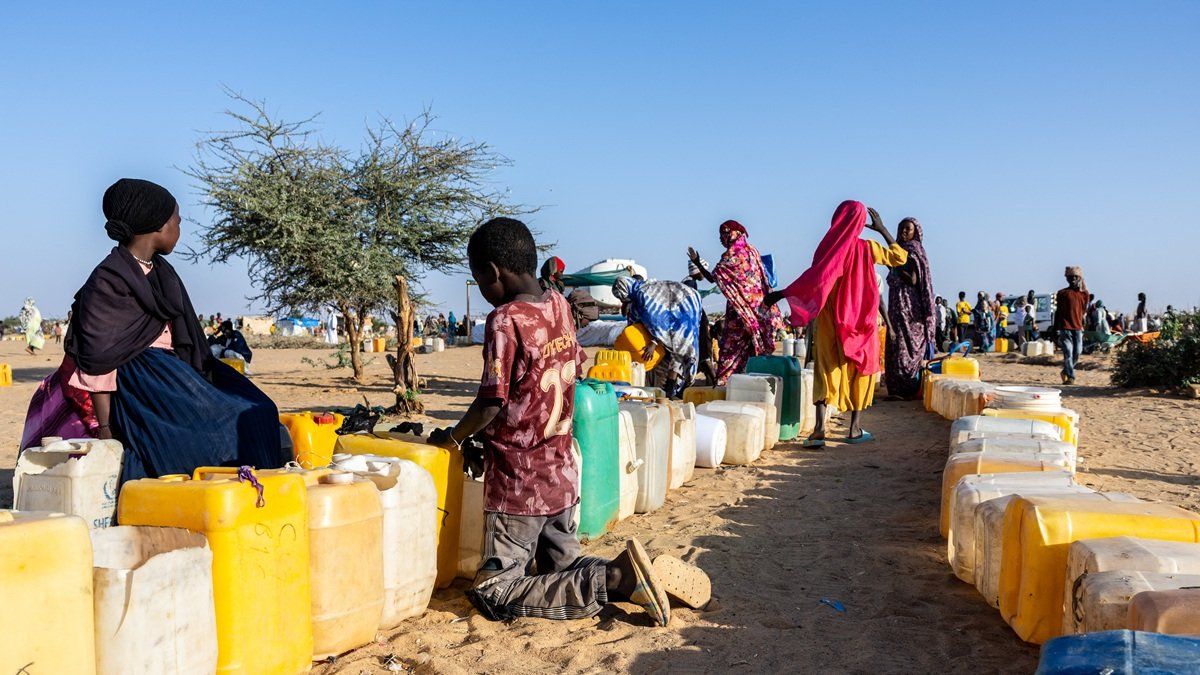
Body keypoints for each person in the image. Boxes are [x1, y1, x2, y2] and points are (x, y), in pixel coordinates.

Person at [427, 217, 708, 625]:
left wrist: (454, 437)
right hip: (562, 478)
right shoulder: (559, 304)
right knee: (558, 571)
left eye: (478, 279)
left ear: (490, 271)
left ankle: (617, 578)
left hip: (518, 488)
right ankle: (628, 574)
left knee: (494, 591)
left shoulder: (506, 320)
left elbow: (492, 401)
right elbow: (572, 368)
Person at [20, 178, 283, 483]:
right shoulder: (108, 280)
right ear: (157, 225)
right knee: (225, 425)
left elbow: (185, 340)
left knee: (260, 409)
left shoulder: (162, 274)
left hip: (174, 371)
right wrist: (106, 430)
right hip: (140, 381)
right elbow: (100, 357)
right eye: (177, 220)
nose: (180, 228)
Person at [765, 201, 908, 446]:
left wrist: (781, 294)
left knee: (825, 368)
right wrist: (883, 229)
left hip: (830, 319)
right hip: (861, 320)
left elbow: (814, 279)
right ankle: (854, 429)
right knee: (860, 369)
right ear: (860, 222)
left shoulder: (828, 249)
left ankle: (819, 429)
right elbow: (899, 257)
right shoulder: (868, 247)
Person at [686, 221, 781, 384]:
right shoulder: (753, 251)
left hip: (740, 313)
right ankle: (752, 385)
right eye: (720, 235)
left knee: (731, 352)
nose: (722, 238)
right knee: (752, 351)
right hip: (759, 311)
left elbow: (711, 279)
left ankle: (726, 384)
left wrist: (697, 262)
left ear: (736, 232)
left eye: (725, 233)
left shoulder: (732, 256)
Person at [612, 275, 704, 397]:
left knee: (680, 350)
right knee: (672, 353)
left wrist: (654, 343)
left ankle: (672, 392)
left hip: (683, 308)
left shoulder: (643, 295)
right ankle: (670, 391)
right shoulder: (637, 295)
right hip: (679, 307)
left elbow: (659, 321)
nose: (622, 299)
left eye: (621, 296)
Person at [883, 217, 935, 399]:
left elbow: (913, 279)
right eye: (901, 229)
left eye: (908, 229)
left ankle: (908, 388)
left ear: (916, 232)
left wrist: (882, 229)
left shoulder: (914, 251)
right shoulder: (897, 251)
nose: (904, 232)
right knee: (896, 345)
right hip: (897, 308)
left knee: (908, 348)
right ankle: (896, 389)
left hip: (910, 310)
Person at [1054, 266, 1089, 384]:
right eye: (1071, 277)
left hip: (1078, 327)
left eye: (1076, 277)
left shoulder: (1084, 295)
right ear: (1067, 279)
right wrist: (1055, 328)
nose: (1073, 279)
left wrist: (1082, 283)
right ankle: (1071, 376)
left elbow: (1084, 310)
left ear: (1079, 278)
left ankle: (1065, 370)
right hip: (1065, 327)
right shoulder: (1062, 293)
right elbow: (1058, 311)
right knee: (1068, 351)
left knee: (1077, 351)